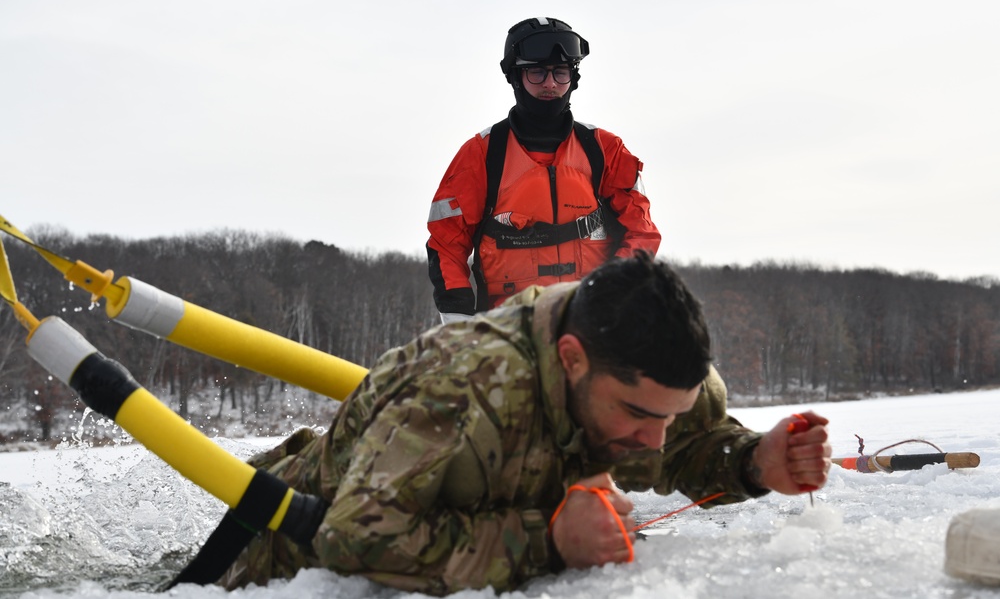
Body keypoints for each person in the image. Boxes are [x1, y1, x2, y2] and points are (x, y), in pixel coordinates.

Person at [215, 252, 832, 595]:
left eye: (669, 416)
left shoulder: (650, 366)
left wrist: (753, 461)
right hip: (273, 571)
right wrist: (547, 543)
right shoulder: (461, 388)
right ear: (571, 360)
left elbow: (688, 448)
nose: (656, 438)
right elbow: (354, 539)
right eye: (641, 417)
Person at [426, 17, 661, 323]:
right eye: (537, 72)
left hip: (592, 323)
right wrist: (457, 317)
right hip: (507, 329)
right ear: (515, 77)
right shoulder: (481, 154)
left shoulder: (604, 149)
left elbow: (642, 233)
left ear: (572, 78)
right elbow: (446, 242)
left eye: (560, 72)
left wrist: (610, 295)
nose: (550, 84)